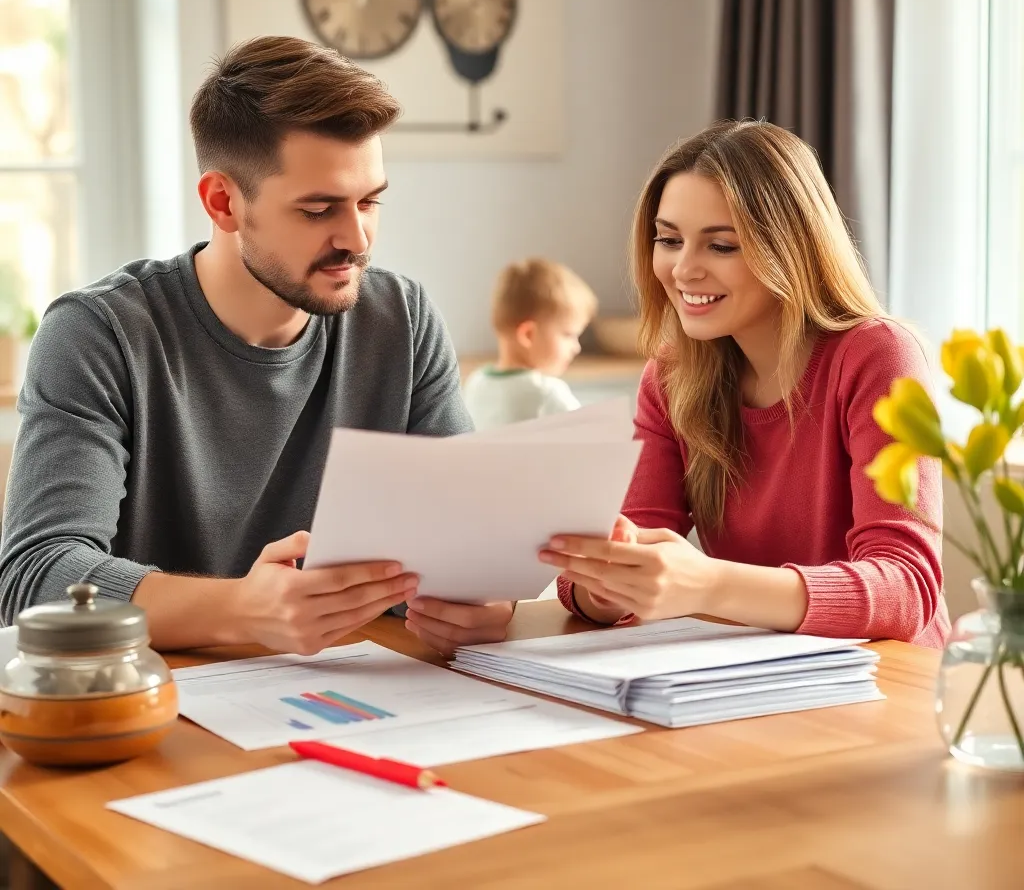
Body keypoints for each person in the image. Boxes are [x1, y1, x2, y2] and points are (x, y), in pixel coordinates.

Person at [0, 35, 514, 659]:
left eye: (370, 201)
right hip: (162, 708)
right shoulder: (97, 334)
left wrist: (486, 593)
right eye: (319, 209)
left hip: (351, 693)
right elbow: (35, 581)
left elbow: (464, 534)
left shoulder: (400, 319)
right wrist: (244, 609)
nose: (356, 238)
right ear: (224, 203)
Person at [539, 119, 950, 647]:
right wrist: (610, 579)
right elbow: (601, 569)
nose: (683, 270)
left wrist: (709, 585)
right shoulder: (671, 377)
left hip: (887, 685)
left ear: (791, 248)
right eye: (669, 240)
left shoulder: (878, 356)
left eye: (722, 246)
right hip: (752, 678)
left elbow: (905, 590)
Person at [463, 258, 597, 430]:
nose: (576, 347)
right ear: (528, 335)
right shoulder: (548, 394)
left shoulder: (475, 383)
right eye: (568, 335)